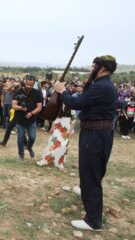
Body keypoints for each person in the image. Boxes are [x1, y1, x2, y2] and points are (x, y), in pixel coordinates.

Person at [54, 55, 118, 231]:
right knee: (91, 169)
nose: (91, 69)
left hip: (96, 135)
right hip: (96, 133)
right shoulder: (101, 85)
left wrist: (62, 91)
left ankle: (93, 221)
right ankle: (85, 189)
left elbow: (76, 103)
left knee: (91, 172)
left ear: (102, 68)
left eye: (93, 66)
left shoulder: (102, 87)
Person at [12, 77, 42, 160]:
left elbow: (39, 107)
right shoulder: (18, 92)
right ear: (25, 83)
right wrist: (21, 108)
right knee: (20, 138)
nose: (29, 86)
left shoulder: (37, 93)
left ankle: (29, 147)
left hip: (31, 120)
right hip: (20, 119)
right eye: (27, 84)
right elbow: (13, 105)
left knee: (32, 137)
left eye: (31, 85)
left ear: (34, 84)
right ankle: (21, 155)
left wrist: (31, 113)